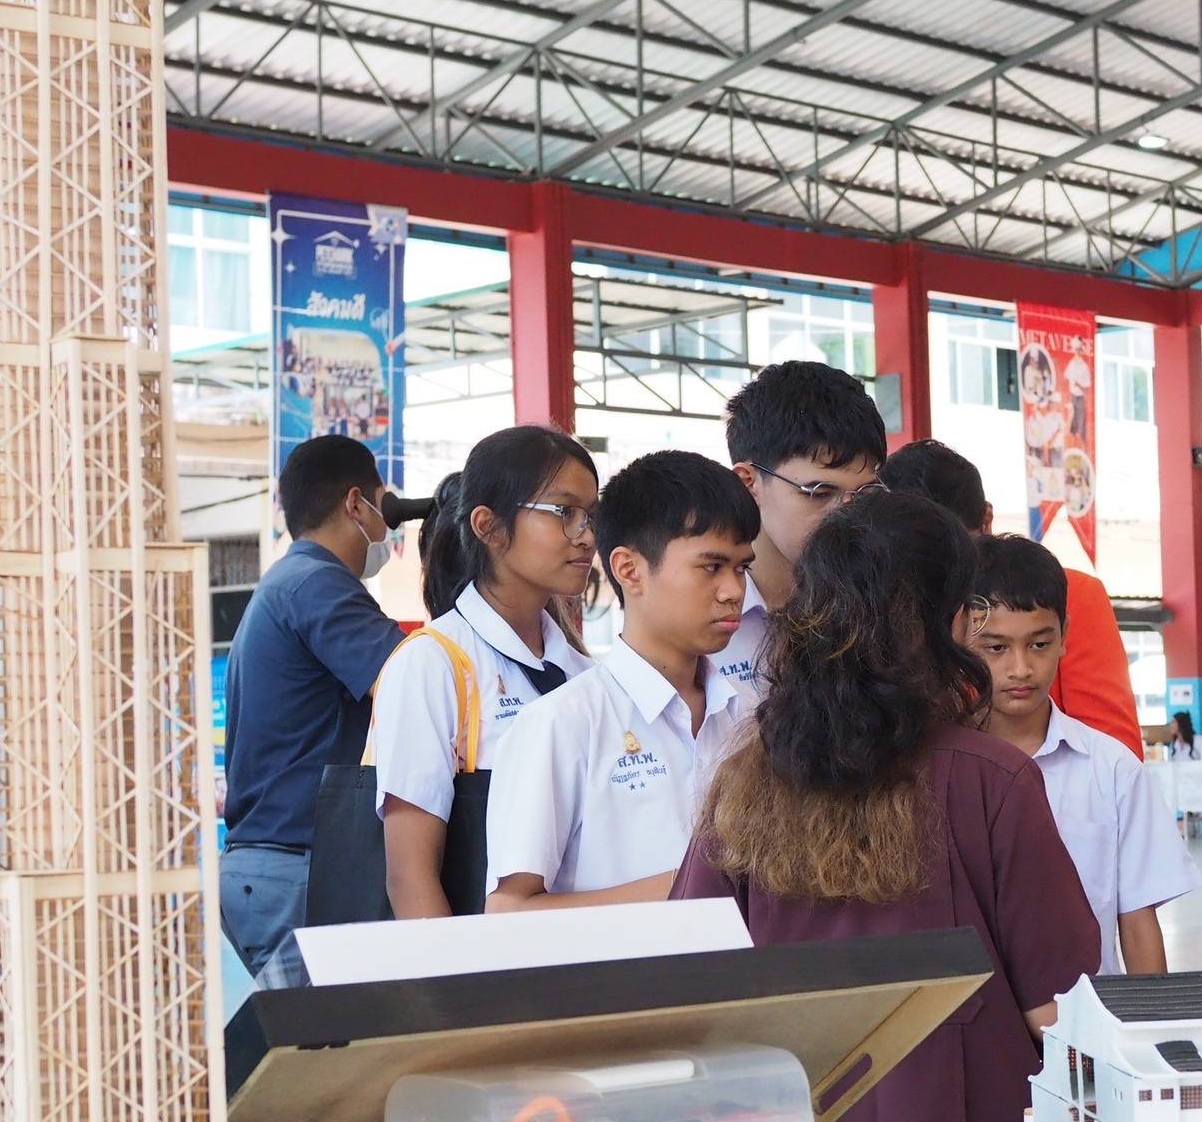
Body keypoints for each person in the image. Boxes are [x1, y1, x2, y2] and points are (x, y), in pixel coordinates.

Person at [671, 492, 1099, 1122]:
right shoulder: (992, 779)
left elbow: (691, 981)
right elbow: (1059, 1008)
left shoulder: (745, 782)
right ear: (947, 623)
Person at [486, 451, 758, 911]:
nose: (734, 591)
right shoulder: (560, 725)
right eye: (712, 566)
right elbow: (508, 911)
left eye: (741, 567)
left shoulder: (753, 719)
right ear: (629, 570)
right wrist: (691, 886)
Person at [370, 427, 597, 918]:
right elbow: (410, 878)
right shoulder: (432, 664)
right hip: (481, 954)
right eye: (564, 512)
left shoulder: (584, 673)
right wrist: (457, 970)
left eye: (590, 515)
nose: (586, 536)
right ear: (489, 527)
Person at [969, 533, 1199, 975]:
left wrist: (1151, 1016)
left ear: (1065, 636)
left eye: (1039, 644)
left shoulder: (1113, 770)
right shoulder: (940, 768)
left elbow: (1138, 923)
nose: (1021, 668)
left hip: (1090, 1012)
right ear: (962, 638)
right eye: (996, 648)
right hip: (981, 1016)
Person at [220, 435, 406, 971]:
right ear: (356, 504)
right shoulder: (319, 584)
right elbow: (416, 684)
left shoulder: (286, 582)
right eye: (384, 507)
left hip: (267, 869)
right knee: (335, 1026)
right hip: (296, 870)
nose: (387, 528)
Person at [881, 438, 1144, 756]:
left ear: (987, 520)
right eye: (921, 560)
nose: (945, 578)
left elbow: (1114, 755)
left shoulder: (1071, 594)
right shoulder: (878, 613)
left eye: (956, 556)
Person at [721, 360, 889, 701]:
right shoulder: (702, 614)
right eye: (819, 493)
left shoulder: (883, 607)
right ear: (748, 482)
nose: (846, 516)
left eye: (863, 494)